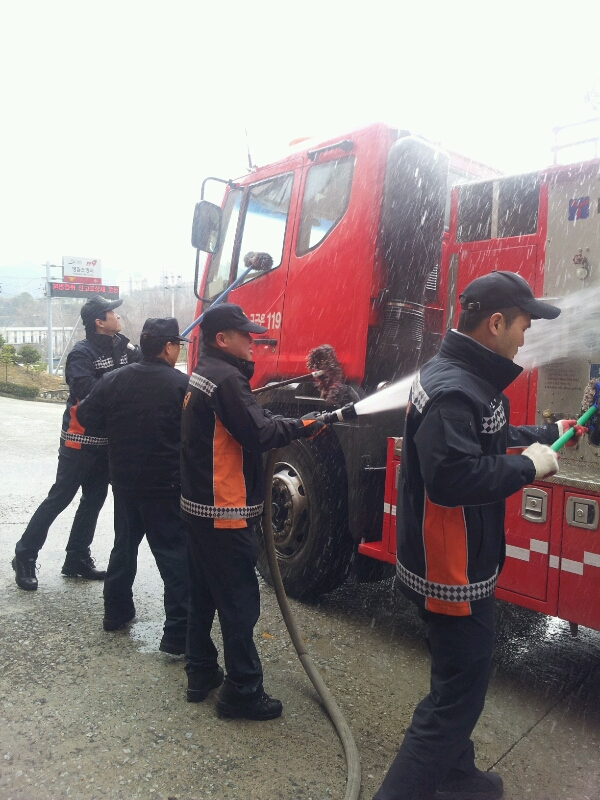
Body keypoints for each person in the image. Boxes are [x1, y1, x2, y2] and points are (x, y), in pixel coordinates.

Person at [374, 271, 585, 800]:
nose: (524, 339)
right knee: (455, 701)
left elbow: (482, 437)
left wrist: (547, 434)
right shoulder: (455, 389)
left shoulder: (462, 378)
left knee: (455, 681)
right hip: (451, 572)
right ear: (495, 323)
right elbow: (452, 479)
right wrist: (528, 467)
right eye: (522, 327)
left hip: (453, 562)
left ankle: (454, 775)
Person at [180, 303, 325, 718]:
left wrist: (274, 419)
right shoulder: (226, 378)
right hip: (224, 512)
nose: (252, 341)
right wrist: (302, 426)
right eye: (245, 335)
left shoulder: (206, 372)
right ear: (222, 339)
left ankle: (200, 673)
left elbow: (242, 422)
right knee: (239, 604)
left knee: (202, 595)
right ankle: (242, 692)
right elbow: (257, 433)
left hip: (198, 509)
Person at [76, 318, 191, 653]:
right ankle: (176, 635)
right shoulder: (182, 385)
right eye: (177, 345)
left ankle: (115, 614)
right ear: (168, 347)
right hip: (166, 485)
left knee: (124, 548)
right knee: (173, 556)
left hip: (125, 482)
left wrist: (117, 428)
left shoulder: (114, 380)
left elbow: (86, 416)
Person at [12, 296, 140, 591]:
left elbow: (142, 366)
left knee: (94, 499)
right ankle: (24, 555)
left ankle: (76, 558)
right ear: (99, 322)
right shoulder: (81, 354)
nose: (118, 316)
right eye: (112, 312)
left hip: (107, 441)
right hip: (79, 438)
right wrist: (122, 380)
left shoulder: (124, 347)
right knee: (60, 497)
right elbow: (86, 389)